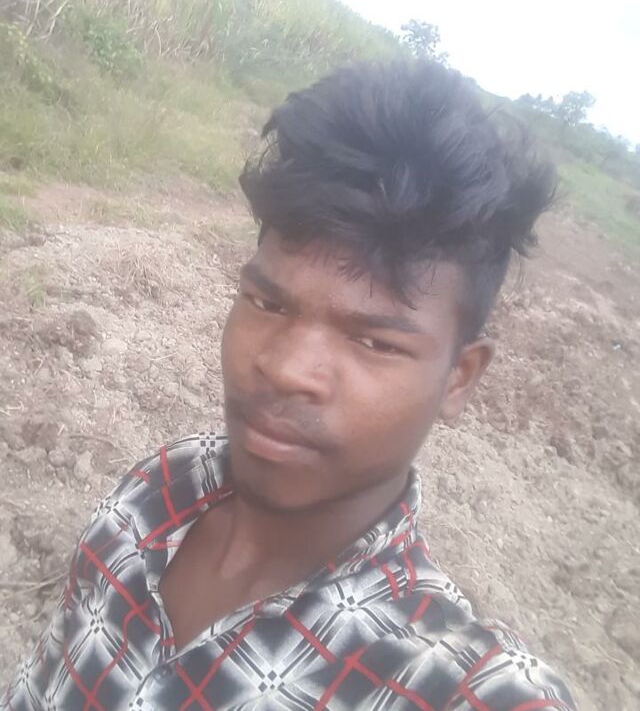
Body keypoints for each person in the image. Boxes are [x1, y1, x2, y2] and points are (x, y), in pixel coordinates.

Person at [3, 61, 575, 710]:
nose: (284, 368)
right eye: (267, 303)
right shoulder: (157, 491)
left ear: (459, 378)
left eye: (374, 342)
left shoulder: (447, 682)